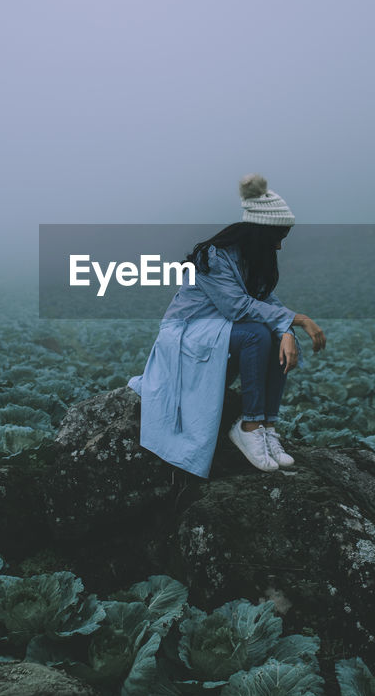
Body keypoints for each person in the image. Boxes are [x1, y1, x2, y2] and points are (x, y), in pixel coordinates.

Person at [127, 174, 327, 477]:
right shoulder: (214, 256)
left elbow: (266, 302)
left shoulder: (252, 259)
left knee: (274, 337)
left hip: (221, 328)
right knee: (257, 335)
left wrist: (286, 330)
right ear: (262, 232)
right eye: (278, 238)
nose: (280, 247)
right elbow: (237, 306)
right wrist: (298, 320)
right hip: (189, 330)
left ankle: (266, 425)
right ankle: (248, 425)